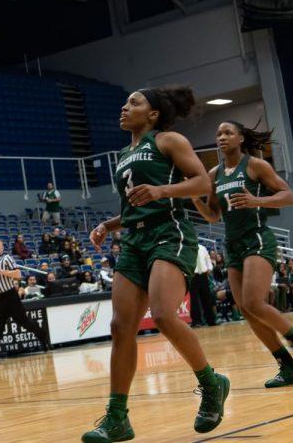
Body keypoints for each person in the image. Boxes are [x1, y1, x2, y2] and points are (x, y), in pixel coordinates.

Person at [83, 86, 228, 443]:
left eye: (134, 102)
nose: (124, 106)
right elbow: (136, 203)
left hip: (170, 232)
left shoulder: (168, 140)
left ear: (152, 114)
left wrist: (162, 191)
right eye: (126, 101)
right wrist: (108, 224)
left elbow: (201, 181)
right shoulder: (122, 154)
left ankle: (211, 384)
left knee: (164, 315)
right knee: (120, 327)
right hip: (134, 239)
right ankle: (117, 417)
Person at [191, 121, 293, 387]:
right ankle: (287, 365)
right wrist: (195, 200)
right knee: (247, 311)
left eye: (228, 133)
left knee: (254, 302)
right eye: (218, 133)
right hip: (233, 244)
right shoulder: (214, 174)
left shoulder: (256, 166)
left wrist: (257, 200)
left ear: (241, 138)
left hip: (258, 238)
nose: (221, 137)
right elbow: (213, 215)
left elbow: (289, 196)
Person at [0, 239, 38, 365]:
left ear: (2, 247)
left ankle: (43, 337)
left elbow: (18, 275)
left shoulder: (7, 258)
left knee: (24, 322)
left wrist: (3, 272)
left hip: (11, 296)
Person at [189, 244, 216, 328]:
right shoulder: (187, 247)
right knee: (194, 300)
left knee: (207, 298)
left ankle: (211, 321)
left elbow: (208, 260)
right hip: (193, 275)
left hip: (204, 275)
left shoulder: (203, 248)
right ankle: (196, 321)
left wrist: (209, 269)